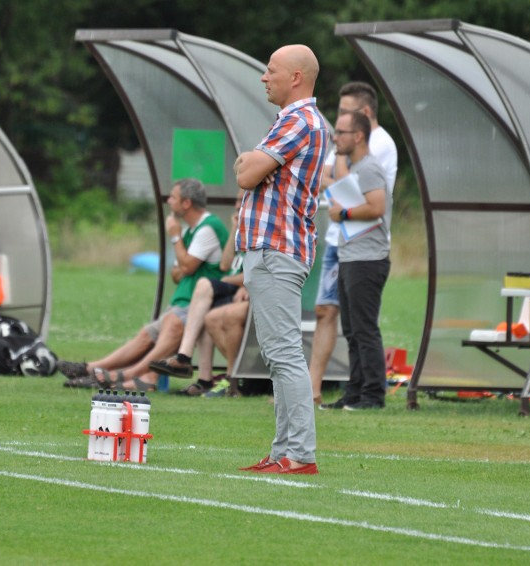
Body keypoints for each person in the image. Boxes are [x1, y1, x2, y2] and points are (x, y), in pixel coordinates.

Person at [233, 44, 327, 475]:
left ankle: (298, 454)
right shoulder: (297, 121)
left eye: (270, 71)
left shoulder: (299, 120)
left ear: (295, 77)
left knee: (285, 355)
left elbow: (247, 172)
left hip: (276, 250)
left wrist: (252, 163)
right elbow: (249, 169)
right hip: (274, 250)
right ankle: (282, 451)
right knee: (278, 354)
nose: (263, 77)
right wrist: (252, 163)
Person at [59, 178, 228, 392]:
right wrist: (183, 260)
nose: (168, 201)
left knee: (173, 323)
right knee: (147, 333)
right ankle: (91, 368)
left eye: (173, 197)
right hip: (182, 300)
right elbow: (176, 274)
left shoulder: (208, 228)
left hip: (196, 303)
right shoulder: (191, 230)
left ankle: (124, 375)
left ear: (186, 203)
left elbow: (186, 268)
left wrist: (175, 238)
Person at [310, 81, 398, 405]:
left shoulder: (372, 168)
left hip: (368, 257)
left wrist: (344, 212)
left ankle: (373, 393)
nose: (336, 139)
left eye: (342, 133)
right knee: (351, 328)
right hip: (351, 255)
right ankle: (354, 391)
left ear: (358, 136)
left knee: (364, 328)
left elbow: (377, 207)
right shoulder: (357, 167)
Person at [148, 198, 246, 396]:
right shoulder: (239, 230)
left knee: (203, 285)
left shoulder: (257, 229)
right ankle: (203, 379)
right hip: (231, 283)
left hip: (245, 289)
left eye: (240, 201)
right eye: (236, 201)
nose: (236, 206)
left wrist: (175, 238)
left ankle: (185, 359)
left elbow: (188, 267)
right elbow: (225, 265)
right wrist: (235, 228)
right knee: (203, 311)